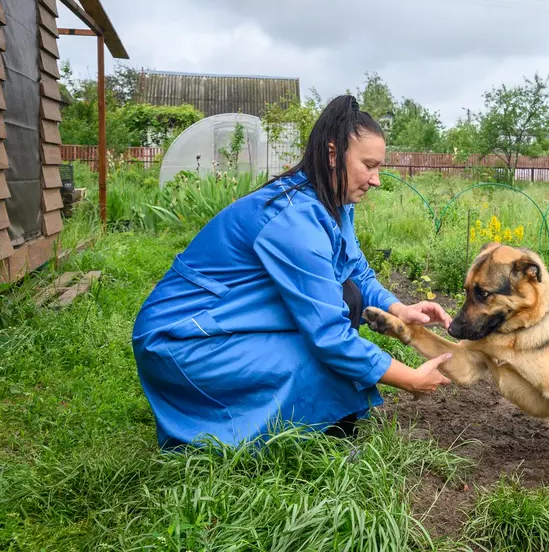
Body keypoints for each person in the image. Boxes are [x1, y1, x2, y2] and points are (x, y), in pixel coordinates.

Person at [131, 95, 453, 449]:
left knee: (347, 299)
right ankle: (235, 440)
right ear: (333, 155)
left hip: (223, 319)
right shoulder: (294, 220)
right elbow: (329, 336)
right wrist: (410, 379)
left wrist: (399, 309)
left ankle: (320, 429)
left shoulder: (331, 203)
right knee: (319, 359)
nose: (376, 180)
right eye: (369, 165)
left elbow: (354, 269)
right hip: (182, 338)